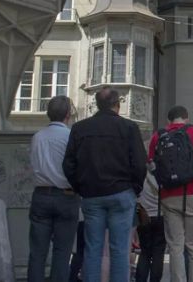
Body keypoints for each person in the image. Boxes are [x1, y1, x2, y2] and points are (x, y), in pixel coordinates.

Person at [63, 87, 147, 281]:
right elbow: (139, 163)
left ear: (96, 105)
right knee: (119, 249)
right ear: (117, 105)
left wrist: (81, 187)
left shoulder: (80, 128)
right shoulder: (128, 127)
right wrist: (135, 189)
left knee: (93, 248)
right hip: (121, 192)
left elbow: (68, 164)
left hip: (92, 195)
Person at [147, 105, 193, 282]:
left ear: (168, 121)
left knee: (175, 246)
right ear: (186, 118)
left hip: (169, 195)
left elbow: (151, 165)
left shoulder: (157, 136)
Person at [27, 96, 79, 282]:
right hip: (66, 196)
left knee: (37, 252)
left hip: (41, 195)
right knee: (62, 252)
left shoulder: (37, 137)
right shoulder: (71, 136)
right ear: (68, 114)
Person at [135, 172, 165, 282]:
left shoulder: (141, 172)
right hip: (161, 215)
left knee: (145, 252)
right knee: (158, 253)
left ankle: (140, 279)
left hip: (143, 216)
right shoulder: (162, 172)